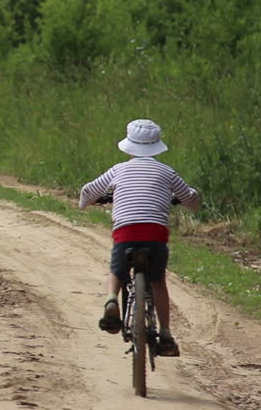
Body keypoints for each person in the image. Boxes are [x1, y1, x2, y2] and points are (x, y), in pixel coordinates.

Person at [78, 119, 200, 357]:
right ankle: (165, 333)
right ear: (157, 145)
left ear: (129, 145)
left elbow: (88, 190)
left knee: (116, 272)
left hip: (126, 234)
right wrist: (191, 202)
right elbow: (190, 198)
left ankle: (112, 299)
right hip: (155, 235)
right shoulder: (167, 172)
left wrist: (87, 202)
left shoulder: (119, 170)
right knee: (158, 282)